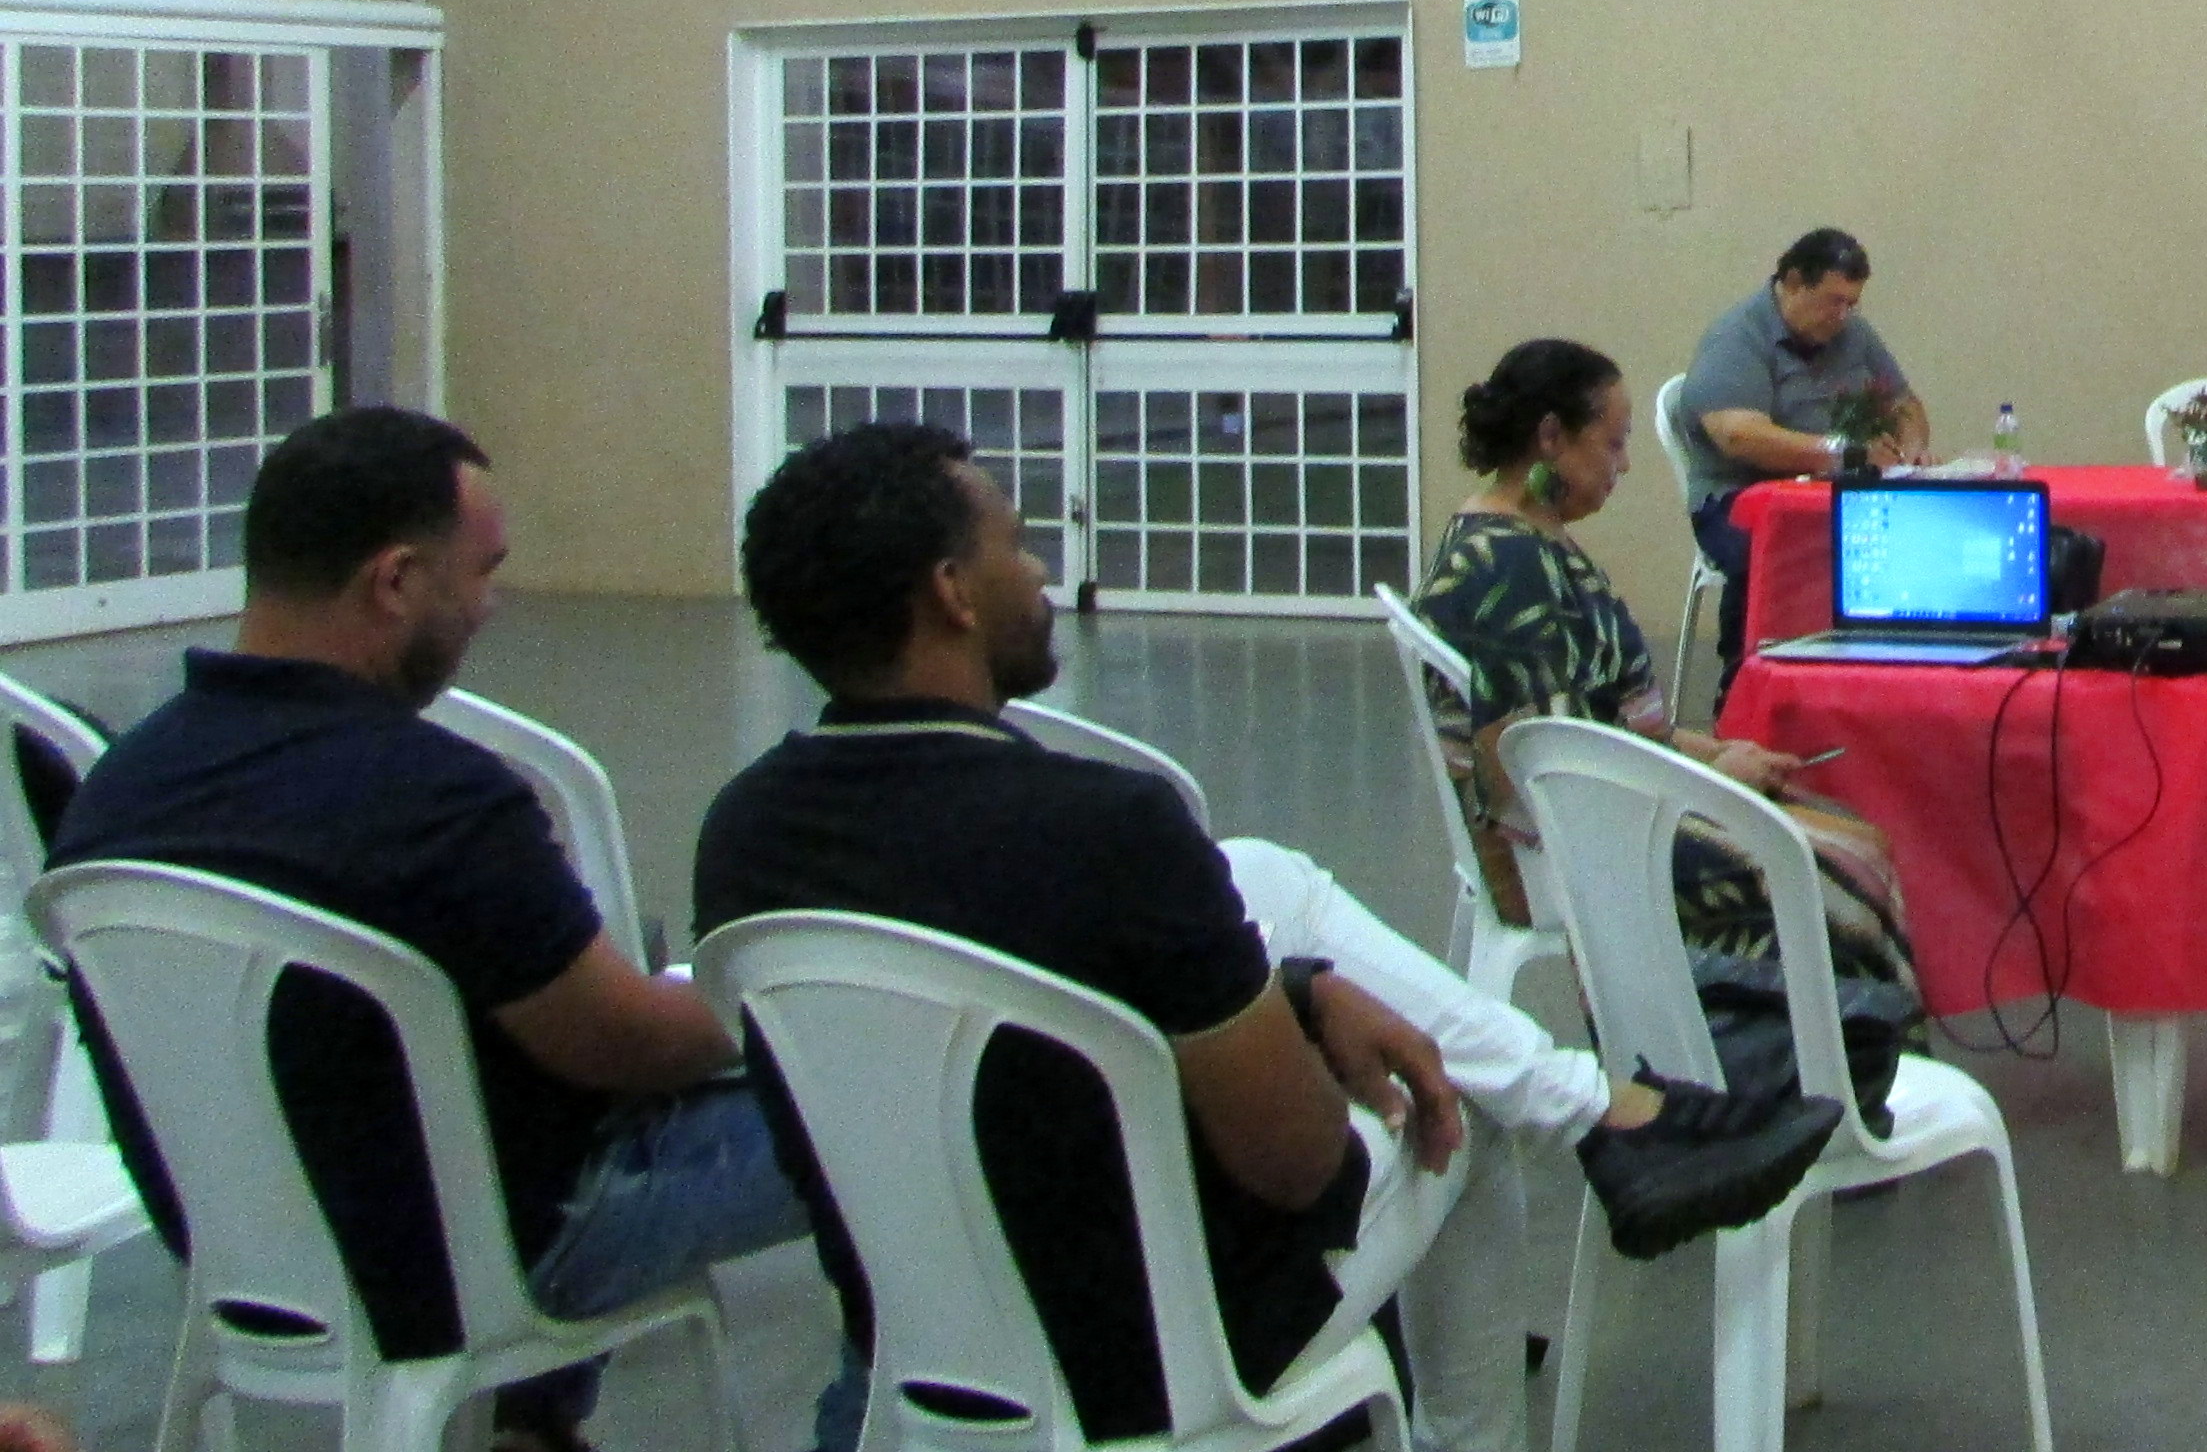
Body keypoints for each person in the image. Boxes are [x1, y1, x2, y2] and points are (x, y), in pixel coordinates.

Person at [699, 423, 1841, 1452]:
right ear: (951, 592)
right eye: (1020, 543)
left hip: (927, 1345)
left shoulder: (744, 836)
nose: (1043, 571)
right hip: (1163, 1357)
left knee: (1260, 877)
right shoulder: (1104, 829)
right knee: (1449, 1096)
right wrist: (1299, 1030)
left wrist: (1290, 992)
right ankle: (1508, 1325)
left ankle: (1584, 1102)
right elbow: (1299, 1162)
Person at [50, 408, 826, 1452]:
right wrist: (766, 1009)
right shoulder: (436, 801)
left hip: (244, 1248)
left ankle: (529, 1426)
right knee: (882, 1118)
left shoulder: (120, 791)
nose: (491, 605)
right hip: (473, 1263)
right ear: (397, 582)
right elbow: (624, 1045)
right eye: (482, 573)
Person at [1416, 341, 1918, 1055]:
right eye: (1614, 442)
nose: (1623, 463)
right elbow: (1544, 772)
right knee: (1845, 860)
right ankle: (1822, 1085)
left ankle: (1827, 1069)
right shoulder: (1510, 572)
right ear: (1551, 437)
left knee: (1841, 831)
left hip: (1593, 814)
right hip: (1578, 850)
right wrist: (1710, 776)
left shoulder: (1504, 537)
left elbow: (1583, 723)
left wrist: (1712, 750)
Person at [1679, 229, 1930, 669]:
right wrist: (1843, 452)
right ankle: (1746, 680)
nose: (1843, 315)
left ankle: (1882, 672)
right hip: (1739, 499)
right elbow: (1739, 435)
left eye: (1852, 303)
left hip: (1829, 493)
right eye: (1834, 301)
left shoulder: (1853, 334)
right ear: (1793, 282)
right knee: (1778, 548)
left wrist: (1912, 450)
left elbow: (1903, 403)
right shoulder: (1738, 337)